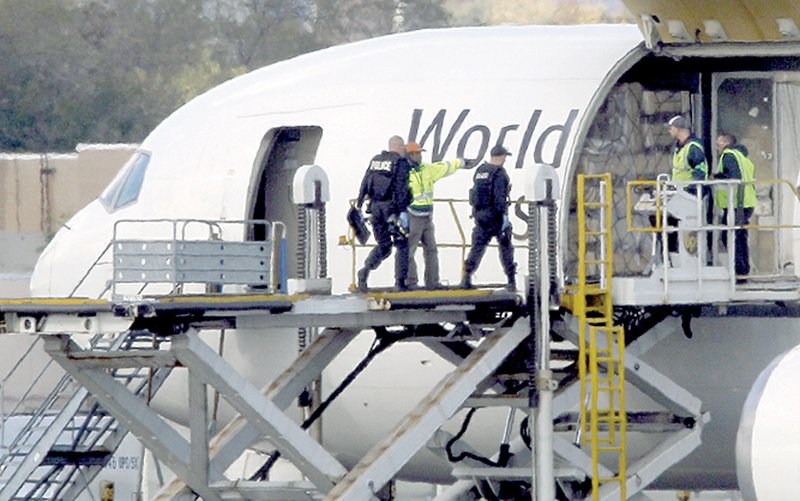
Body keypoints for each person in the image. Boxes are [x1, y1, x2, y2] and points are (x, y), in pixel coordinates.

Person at [405, 141, 473, 289]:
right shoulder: (404, 173)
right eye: (416, 153)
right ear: (410, 155)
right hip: (413, 216)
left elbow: (445, 167)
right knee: (409, 251)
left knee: (431, 250)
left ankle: (432, 282)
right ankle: (411, 282)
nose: (419, 156)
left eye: (420, 153)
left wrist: (461, 162)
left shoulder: (427, 169)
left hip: (427, 217)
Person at [355, 135, 412, 291]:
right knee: (402, 244)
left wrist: (359, 204)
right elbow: (401, 188)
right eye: (403, 147)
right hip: (391, 210)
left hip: (374, 209)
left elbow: (365, 182)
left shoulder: (375, 160)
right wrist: (402, 212)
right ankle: (400, 282)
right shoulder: (400, 163)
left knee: (384, 245)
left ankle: (365, 271)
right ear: (399, 147)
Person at [460, 145, 516, 291]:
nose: (505, 160)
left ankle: (466, 277)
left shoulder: (480, 170)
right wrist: (504, 217)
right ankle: (511, 280)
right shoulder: (500, 174)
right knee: (506, 248)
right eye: (504, 157)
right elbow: (499, 198)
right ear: (501, 157)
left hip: (480, 216)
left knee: (477, 248)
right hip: (495, 217)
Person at [659, 115, 709, 254]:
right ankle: (671, 255)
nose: (669, 131)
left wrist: (688, 190)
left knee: (671, 221)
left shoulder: (693, 148)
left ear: (678, 129)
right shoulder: (680, 147)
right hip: (680, 194)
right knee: (661, 219)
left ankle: (675, 254)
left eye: (671, 128)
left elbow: (701, 172)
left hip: (689, 196)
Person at [714, 131, 756, 278]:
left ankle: (740, 270)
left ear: (726, 143)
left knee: (731, 236)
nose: (716, 145)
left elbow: (734, 177)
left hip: (737, 203)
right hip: (746, 201)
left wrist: (717, 176)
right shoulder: (742, 157)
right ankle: (743, 269)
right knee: (740, 235)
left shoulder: (729, 155)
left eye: (719, 142)